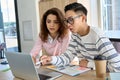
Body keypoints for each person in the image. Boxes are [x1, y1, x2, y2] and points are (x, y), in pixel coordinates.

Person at [41, 2, 120, 72]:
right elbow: (67, 57)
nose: (68, 25)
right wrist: (51, 59)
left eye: (71, 20)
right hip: (88, 74)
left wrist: (89, 64)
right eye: (66, 21)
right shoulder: (75, 35)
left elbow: (117, 66)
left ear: (83, 18)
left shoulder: (97, 36)